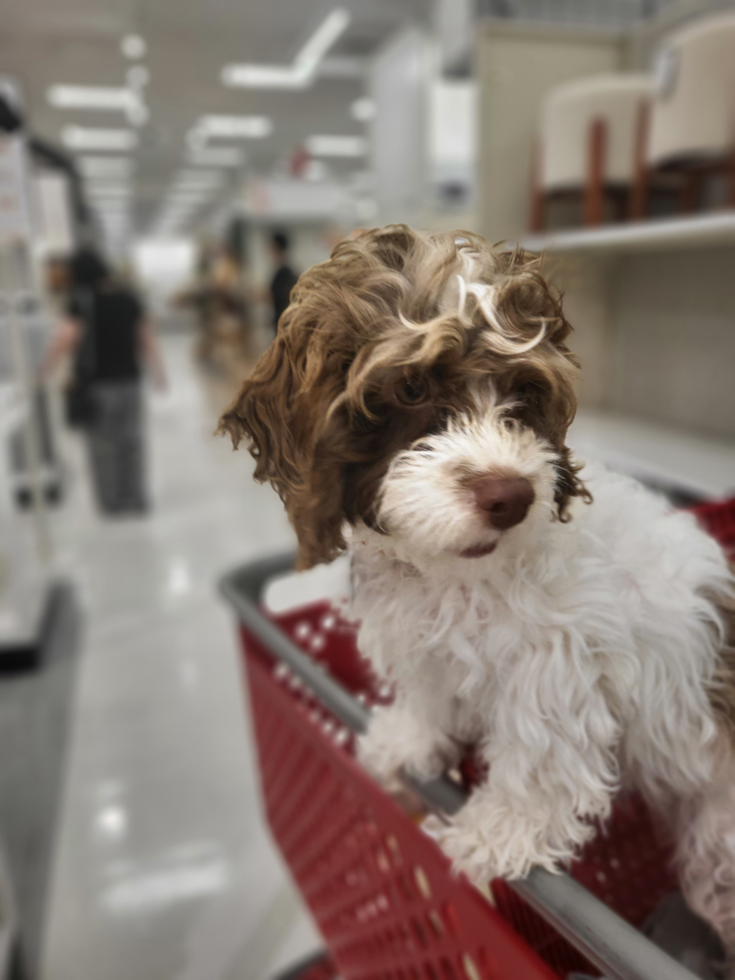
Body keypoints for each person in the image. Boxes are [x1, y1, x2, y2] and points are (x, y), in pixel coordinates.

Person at [41, 247, 166, 515]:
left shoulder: (80, 302)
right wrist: (158, 373)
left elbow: (66, 339)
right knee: (132, 441)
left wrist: (44, 369)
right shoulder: (128, 298)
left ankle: (112, 502)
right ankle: (135, 497)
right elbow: (146, 339)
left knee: (103, 446)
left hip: (97, 386)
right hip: (130, 382)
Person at [268, 231, 298, 332]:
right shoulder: (287, 270)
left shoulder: (284, 272)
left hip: (284, 320)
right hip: (284, 319)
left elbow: (276, 295)